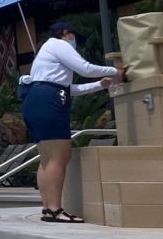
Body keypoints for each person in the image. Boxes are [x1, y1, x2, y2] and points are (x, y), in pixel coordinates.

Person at [22, 20, 118, 223]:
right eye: (74, 37)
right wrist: (116, 71)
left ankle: (48, 208)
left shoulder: (45, 53)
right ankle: (56, 209)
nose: (75, 43)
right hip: (49, 102)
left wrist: (100, 85)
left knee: (47, 158)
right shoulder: (58, 44)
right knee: (59, 156)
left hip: (37, 101)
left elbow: (69, 88)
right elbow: (85, 68)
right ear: (66, 33)